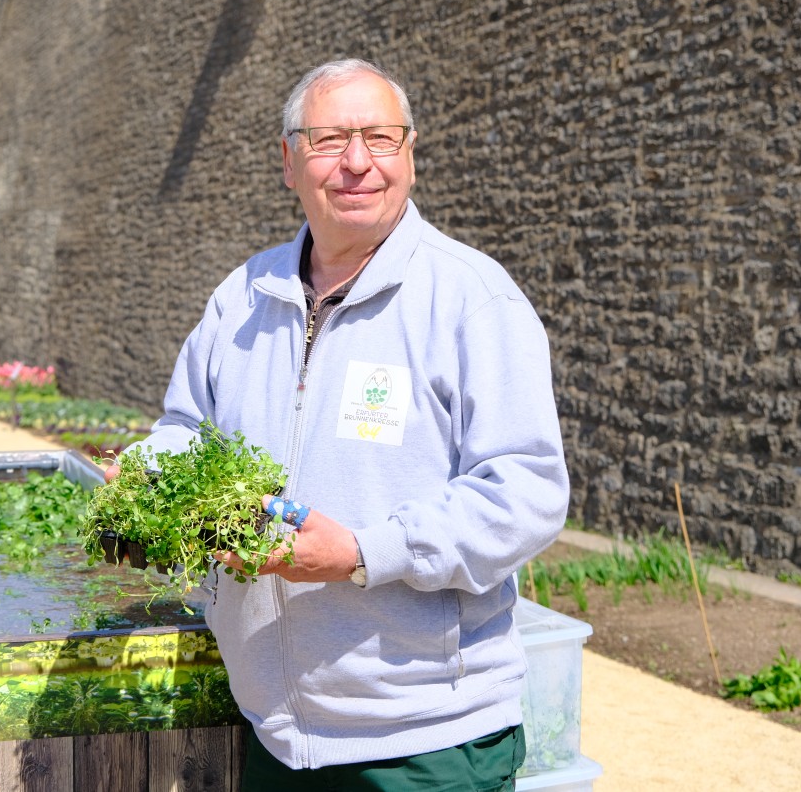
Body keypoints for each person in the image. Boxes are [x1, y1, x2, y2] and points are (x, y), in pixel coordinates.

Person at [107, 58, 569, 790]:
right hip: (276, 735)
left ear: (410, 155)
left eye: (379, 137)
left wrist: (362, 551)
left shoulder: (473, 300)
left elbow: (526, 491)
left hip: (423, 746)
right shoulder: (243, 297)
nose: (357, 162)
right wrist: (151, 476)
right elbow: (185, 425)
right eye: (328, 140)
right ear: (289, 161)